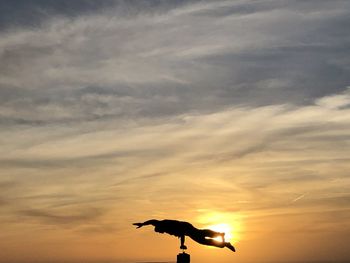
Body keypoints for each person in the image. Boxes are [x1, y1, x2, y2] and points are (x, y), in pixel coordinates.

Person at [133, 219, 235, 252]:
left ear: (160, 228)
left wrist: (182, 244)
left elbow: (182, 234)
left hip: (186, 228)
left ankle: (223, 241)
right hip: (186, 228)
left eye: (160, 232)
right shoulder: (160, 225)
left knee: (201, 239)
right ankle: (223, 242)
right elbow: (151, 221)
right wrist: (142, 224)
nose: (161, 233)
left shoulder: (166, 225)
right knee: (200, 234)